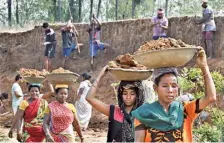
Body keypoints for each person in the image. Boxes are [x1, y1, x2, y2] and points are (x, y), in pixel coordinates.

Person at [133, 48, 216, 142]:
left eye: (174, 86)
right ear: (155, 88)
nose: (170, 90)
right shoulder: (144, 114)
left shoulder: (185, 110)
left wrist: (204, 66)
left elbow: (211, 97)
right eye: (165, 86)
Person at [86, 66, 145, 142]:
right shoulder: (114, 111)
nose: (128, 97)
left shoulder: (143, 113)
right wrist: (100, 76)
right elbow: (89, 98)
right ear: (120, 95)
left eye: (132, 94)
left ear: (137, 95)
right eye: (125, 93)